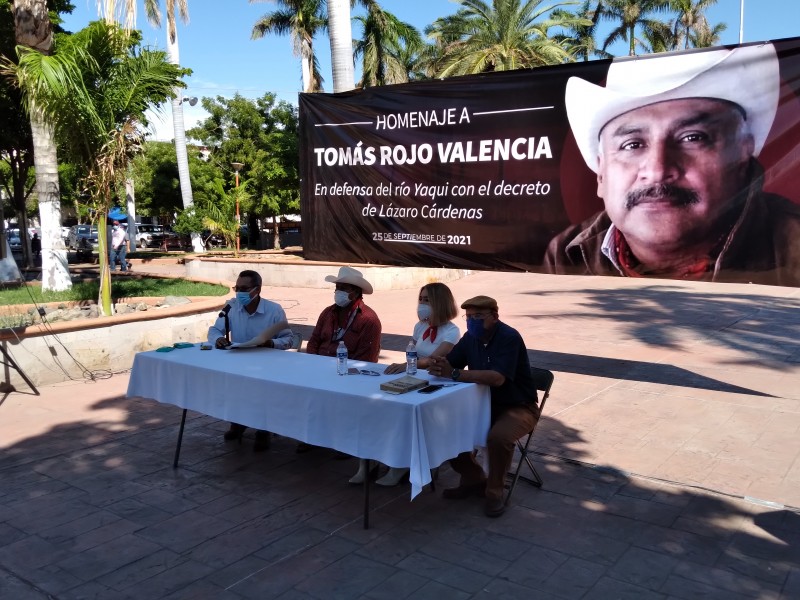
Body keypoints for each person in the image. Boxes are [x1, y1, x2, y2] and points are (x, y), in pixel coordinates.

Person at [545, 43, 800, 286]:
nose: (657, 171)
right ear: (601, 175)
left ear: (742, 157)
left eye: (693, 138)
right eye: (632, 145)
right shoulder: (567, 253)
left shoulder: (793, 250)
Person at [428, 295, 537, 518]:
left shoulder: (509, 337)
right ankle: (474, 478)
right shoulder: (471, 337)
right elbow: (452, 363)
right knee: (444, 429)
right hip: (482, 404)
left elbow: (497, 378)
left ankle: (494, 493)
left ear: (494, 316)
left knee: (499, 438)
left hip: (518, 406)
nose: (472, 321)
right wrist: (439, 364)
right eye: (468, 317)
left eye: (478, 316)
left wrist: (455, 373)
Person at [350, 282, 460, 486]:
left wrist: (408, 364)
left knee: (400, 413)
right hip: (413, 376)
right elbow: (413, 353)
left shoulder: (451, 331)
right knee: (374, 405)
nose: (422, 304)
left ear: (440, 302)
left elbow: (434, 359)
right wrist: (408, 365)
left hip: (435, 382)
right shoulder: (420, 326)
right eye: (421, 299)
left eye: (428, 300)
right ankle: (369, 460)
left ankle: (399, 466)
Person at [207, 269, 294, 451]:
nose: (239, 293)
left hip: (268, 363)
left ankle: (263, 430)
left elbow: (288, 339)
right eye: (236, 288)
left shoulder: (274, 310)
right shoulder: (231, 308)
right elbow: (214, 330)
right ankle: (238, 423)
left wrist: (270, 342)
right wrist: (218, 339)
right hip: (239, 361)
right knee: (234, 391)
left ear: (257, 290)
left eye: (244, 289)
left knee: (262, 393)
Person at [301, 266, 382, 453]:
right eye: (337, 288)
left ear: (355, 293)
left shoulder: (369, 319)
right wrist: (314, 364)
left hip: (350, 374)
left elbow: (367, 358)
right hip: (320, 368)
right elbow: (313, 341)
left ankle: (344, 443)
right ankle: (313, 436)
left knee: (342, 399)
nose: (338, 292)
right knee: (308, 394)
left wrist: (341, 373)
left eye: (343, 288)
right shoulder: (328, 313)